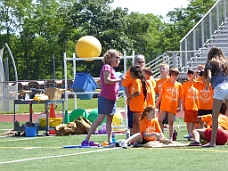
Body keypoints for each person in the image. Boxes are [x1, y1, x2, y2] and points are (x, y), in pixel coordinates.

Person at [81, 49, 123, 147]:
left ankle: (109, 141)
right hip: (105, 98)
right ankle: (86, 139)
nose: (118, 60)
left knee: (109, 120)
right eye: (116, 57)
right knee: (100, 119)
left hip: (112, 99)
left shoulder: (112, 69)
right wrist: (119, 79)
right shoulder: (106, 67)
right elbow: (107, 81)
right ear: (110, 58)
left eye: (119, 58)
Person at [203, 46, 228, 147]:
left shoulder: (211, 63)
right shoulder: (225, 63)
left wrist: (207, 85)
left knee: (215, 116)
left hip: (219, 88)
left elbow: (208, 77)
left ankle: (212, 142)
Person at [156, 67, 182, 141]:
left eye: (176, 75)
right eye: (174, 75)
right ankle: (161, 135)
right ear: (170, 75)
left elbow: (180, 97)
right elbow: (161, 94)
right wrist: (157, 103)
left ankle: (170, 137)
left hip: (173, 105)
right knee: (160, 120)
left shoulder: (179, 85)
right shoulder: (165, 83)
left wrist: (180, 106)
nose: (175, 77)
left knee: (171, 122)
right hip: (164, 104)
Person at [122, 55, 145, 135]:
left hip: (143, 102)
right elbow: (125, 85)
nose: (141, 64)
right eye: (139, 62)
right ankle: (133, 136)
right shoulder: (130, 73)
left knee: (142, 121)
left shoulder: (146, 72)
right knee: (133, 122)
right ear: (135, 62)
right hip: (134, 102)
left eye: (142, 62)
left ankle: (141, 137)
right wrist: (129, 97)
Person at [128, 65, 148, 134]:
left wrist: (130, 96)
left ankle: (142, 137)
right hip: (135, 106)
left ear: (133, 73)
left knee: (138, 122)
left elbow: (138, 92)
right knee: (135, 122)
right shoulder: (136, 81)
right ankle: (135, 137)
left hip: (138, 106)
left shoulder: (137, 81)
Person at [182, 68, 199, 141]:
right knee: (189, 121)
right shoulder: (186, 84)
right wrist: (183, 105)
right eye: (191, 75)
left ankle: (193, 133)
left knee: (194, 121)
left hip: (196, 106)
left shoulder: (197, 83)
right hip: (189, 105)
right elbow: (183, 96)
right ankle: (190, 133)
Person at [154, 62, 170, 132]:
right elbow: (156, 91)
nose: (161, 70)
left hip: (169, 102)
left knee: (170, 120)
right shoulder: (158, 81)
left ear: (167, 70)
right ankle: (162, 134)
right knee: (161, 120)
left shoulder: (170, 80)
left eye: (163, 68)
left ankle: (172, 134)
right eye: (160, 68)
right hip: (162, 102)